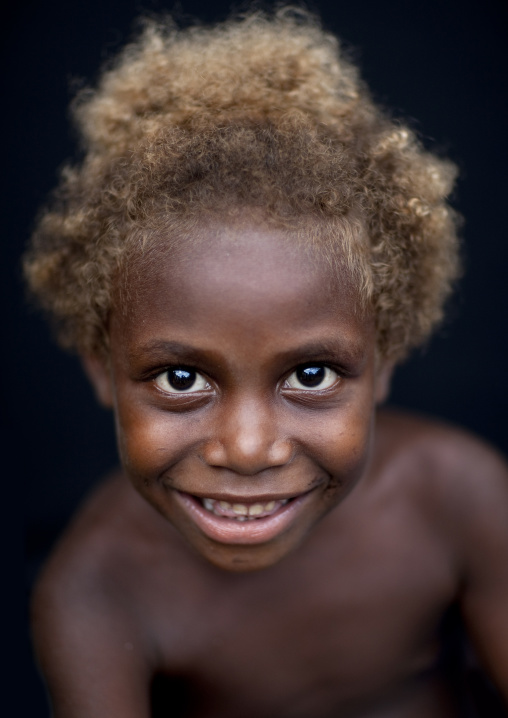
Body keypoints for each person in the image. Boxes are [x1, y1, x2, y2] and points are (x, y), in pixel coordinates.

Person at [24, 8, 508, 717]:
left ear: (385, 360)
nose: (248, 449)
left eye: (310, 375)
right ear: (101, 369)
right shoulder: (97, 593)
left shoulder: (455, 494)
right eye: (180, 378)